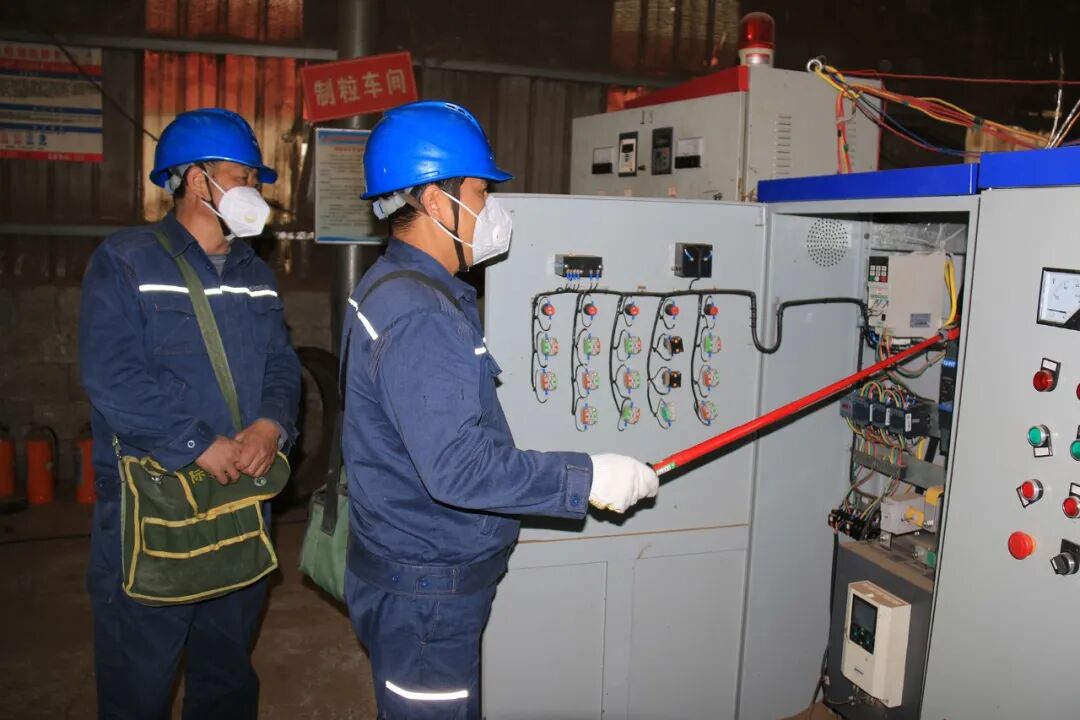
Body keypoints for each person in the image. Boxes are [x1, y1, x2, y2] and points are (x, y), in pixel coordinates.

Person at [341, 100, 660, 719]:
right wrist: (588, 476)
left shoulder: (394, 286)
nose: (493, 210)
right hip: (427, 591)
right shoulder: (421, 315)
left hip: (410, 568)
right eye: (482, 192)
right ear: (436, 201)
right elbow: (458, 469)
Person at [79, 108, 301, 719]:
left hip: (237, 502)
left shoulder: (256, 273)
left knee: (225, 675)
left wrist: (271, 425)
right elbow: (114, 376)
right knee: (139, 683)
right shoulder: (128, 260)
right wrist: (196, 442)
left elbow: (282, 365)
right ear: (195, 179)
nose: (253, 190)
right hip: (155, 508)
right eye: (241, 176)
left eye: (255, 179)